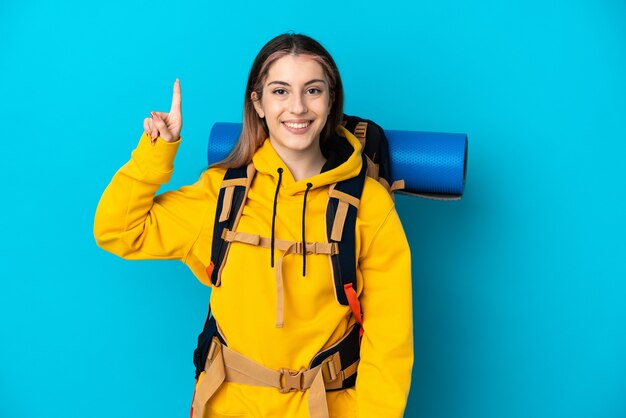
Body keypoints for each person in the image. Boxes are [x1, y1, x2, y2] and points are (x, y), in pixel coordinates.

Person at [94, 33, 413, 418]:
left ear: (331, 102)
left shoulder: (369, 207)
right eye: (280, 91)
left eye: (312, 90)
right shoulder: (219, 196)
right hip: (226, 405)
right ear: (257, 102)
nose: (297, 107)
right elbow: (117, 230)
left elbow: (390, 343)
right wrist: (155, 153)